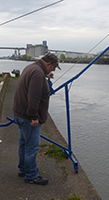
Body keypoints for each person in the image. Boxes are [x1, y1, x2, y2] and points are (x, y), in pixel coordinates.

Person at [13, 53, 61, 185]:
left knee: (24, 143)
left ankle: (23, 169)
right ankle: (31, 176)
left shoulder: (32, 68)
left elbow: (33, 81)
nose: (53, 70)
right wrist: (34, 117)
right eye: (53, 67)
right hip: (29, 118)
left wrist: (46, 76)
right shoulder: (38, 74)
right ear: (47, 64)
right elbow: (33, 99)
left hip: (20, 114)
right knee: (32, 147)